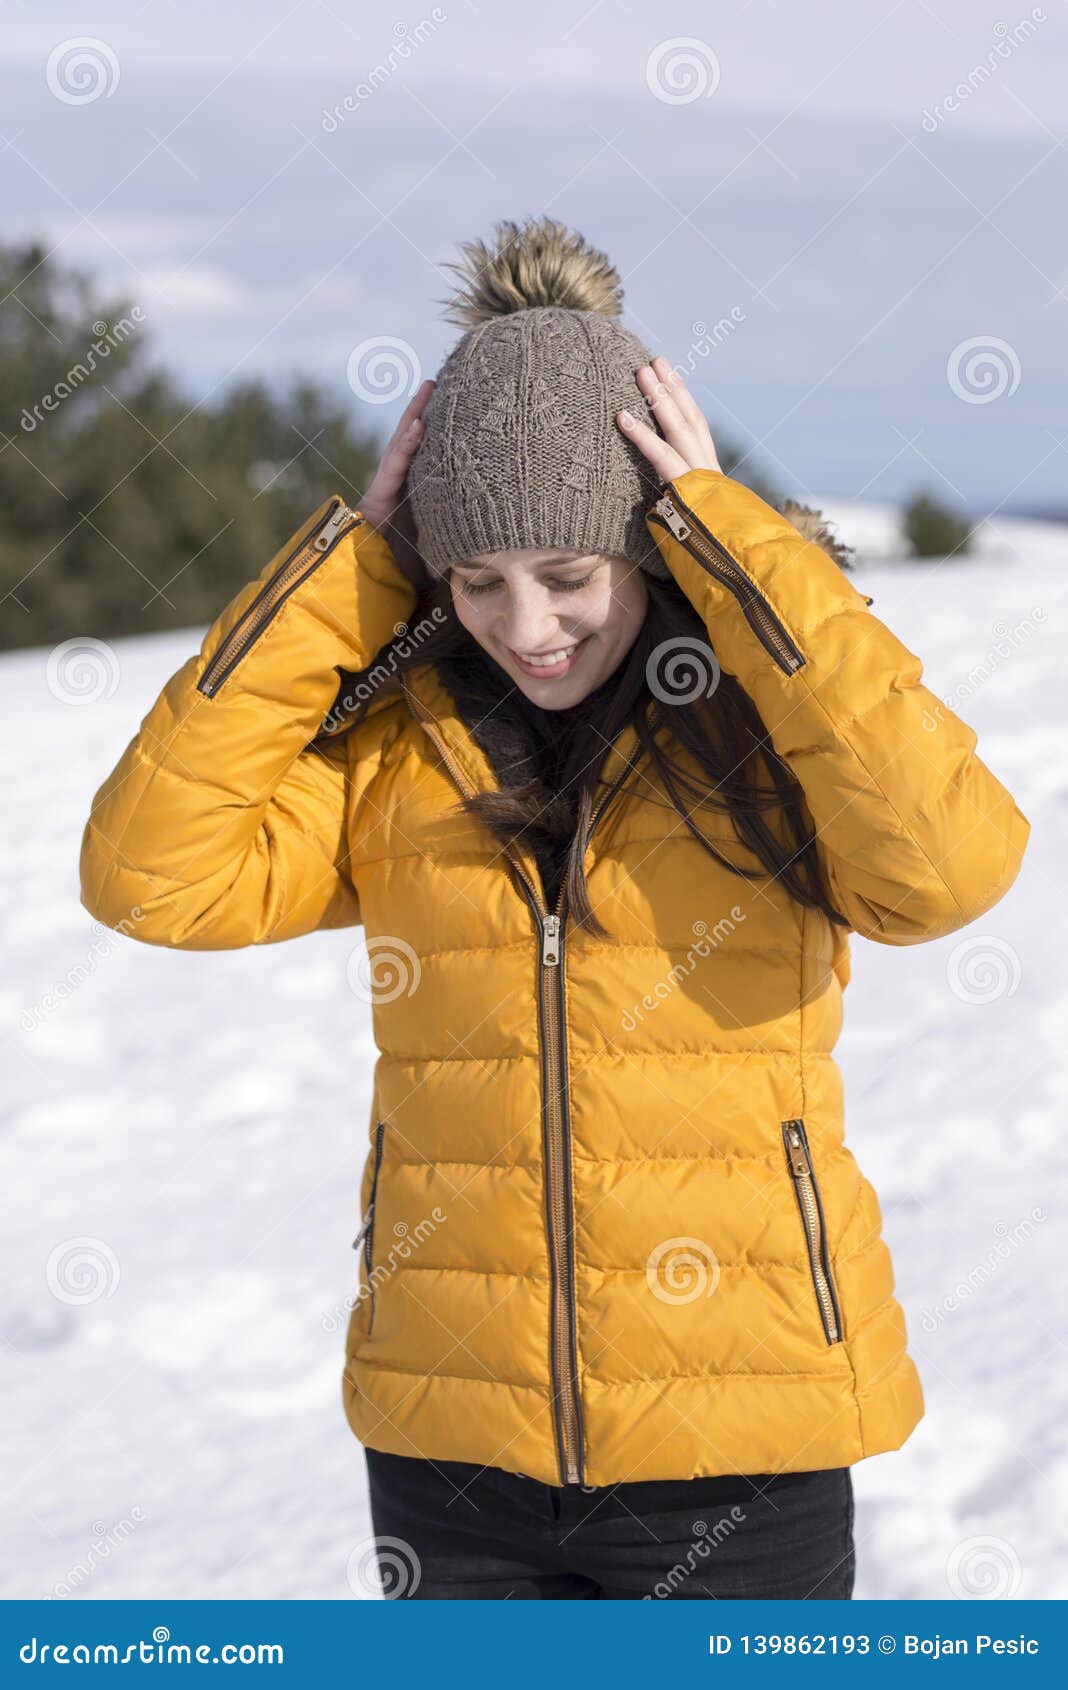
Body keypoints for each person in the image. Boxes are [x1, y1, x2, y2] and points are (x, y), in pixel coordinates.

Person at [79, 216, 1030, 1601]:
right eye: (478, 579)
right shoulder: (402, 756)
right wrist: (349, 575)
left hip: (739, 1444)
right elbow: (147, 872)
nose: (527, 627)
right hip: (453, 1453)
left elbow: (950, 865)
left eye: (572, 576)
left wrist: (742, 550)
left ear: (651, 552)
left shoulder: (765, 734)